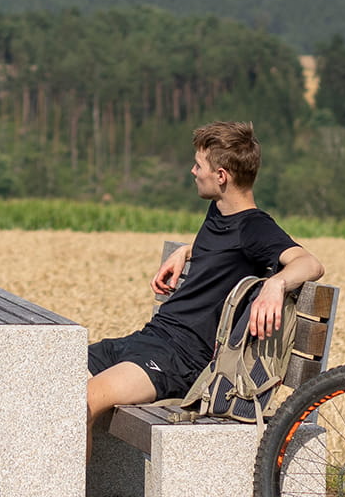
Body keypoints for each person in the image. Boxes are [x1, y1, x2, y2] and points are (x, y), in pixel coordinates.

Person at [85, 121, 325, 440]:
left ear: (221, 176)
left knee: (82, 402)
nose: (193, 172)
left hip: (180, 361)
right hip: (149, 341)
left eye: (199, 166)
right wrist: (187, 251)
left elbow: (310, 263)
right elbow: (223, 252)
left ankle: (63, 493)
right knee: (52, 381)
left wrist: (276, 284)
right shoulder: (219, 211)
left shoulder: (254, 227)